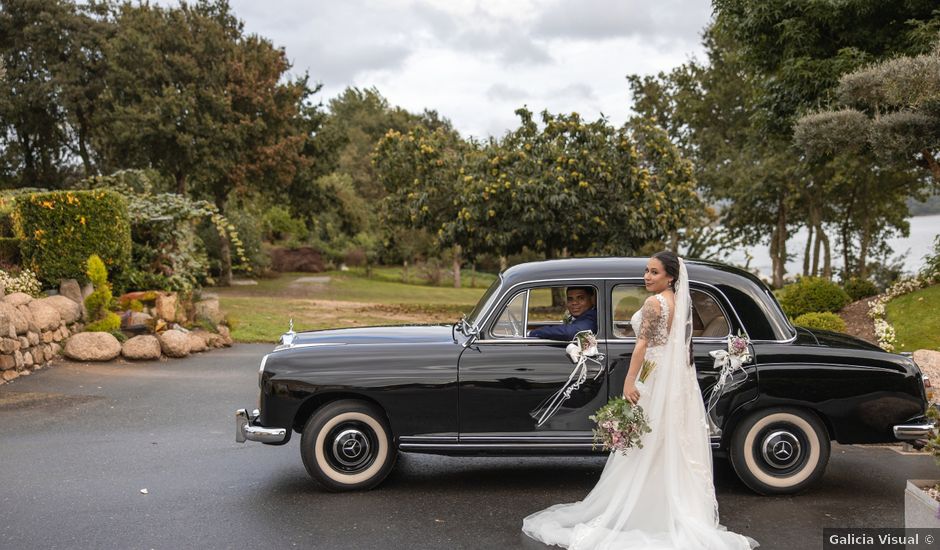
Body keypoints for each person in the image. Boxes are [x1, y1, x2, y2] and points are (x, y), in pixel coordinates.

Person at [522, 252, 758, 550]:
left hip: (651, 373)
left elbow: (643, 345)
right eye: (646, 271)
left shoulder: (653, 303)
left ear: (670, 277)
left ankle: (641, 505)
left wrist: (629, 380)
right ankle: (667, 504)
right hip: (669, 376)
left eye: (654, 272)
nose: (647, 276)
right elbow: (667, 340)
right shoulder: (676, 302)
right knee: (665, 438)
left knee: (646, 440)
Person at [528, 286, 598, 340]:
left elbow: (570, 333)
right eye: (570, 299)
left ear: (592, 299)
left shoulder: (592, 317)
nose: (574, 303)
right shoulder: (581, 317)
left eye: (580, 298)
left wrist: (532, 333)